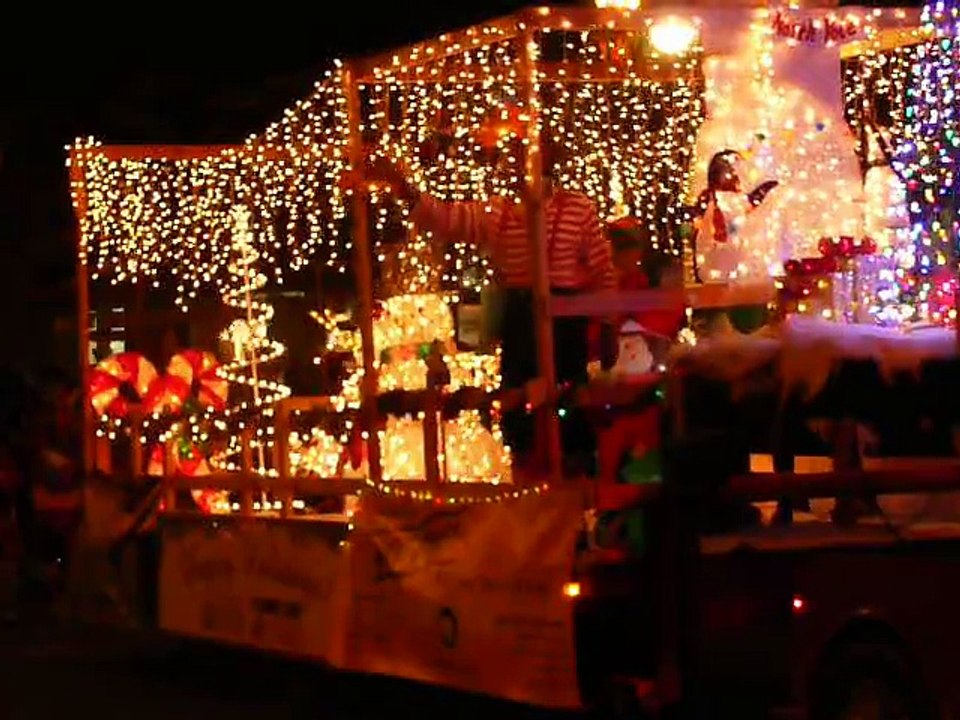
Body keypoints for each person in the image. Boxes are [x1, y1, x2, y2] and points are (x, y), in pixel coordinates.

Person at [362, 137, 617, 470]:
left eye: (527, 153)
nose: (517, 162)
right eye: (515, 154)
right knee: (519, 407)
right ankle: (527, 481)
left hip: (565, 321)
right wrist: (402, 187)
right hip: (522, 319)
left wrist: (610, 326)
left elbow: (602, 270)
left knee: (569, 405)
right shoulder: (502, 211)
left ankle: (575, 484)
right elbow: (448, 219)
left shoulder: (578, 208)